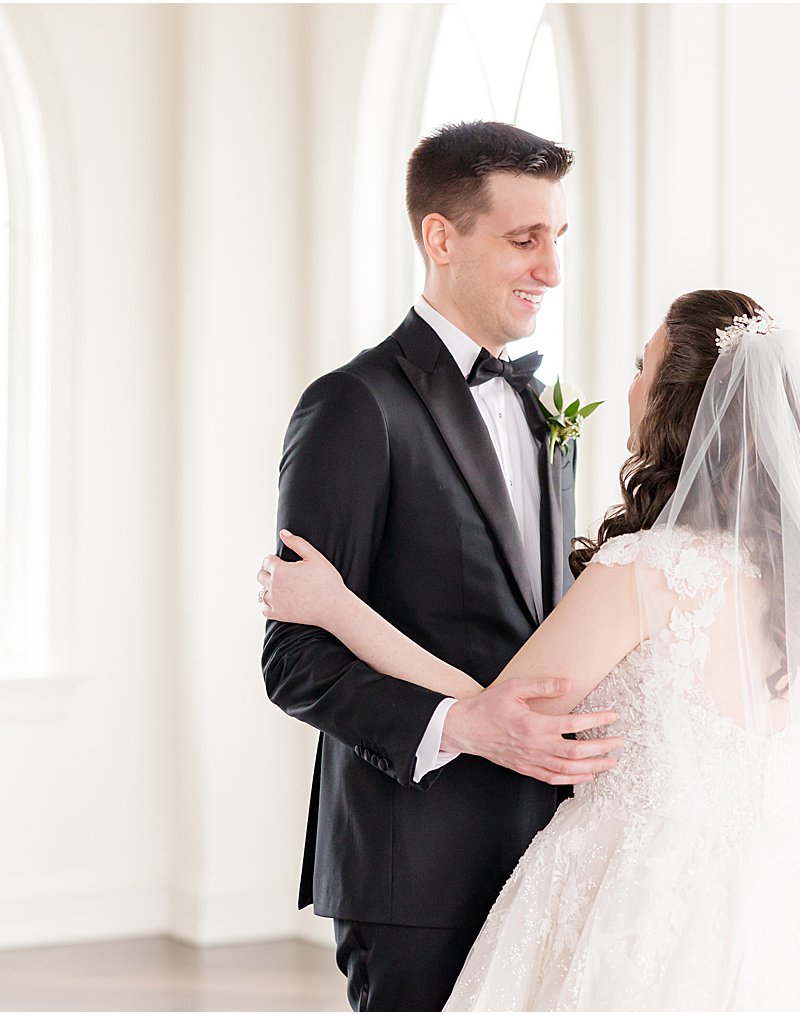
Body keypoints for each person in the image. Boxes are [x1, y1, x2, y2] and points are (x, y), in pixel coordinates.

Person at [261, 289, 800, 1010]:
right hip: (773, 901)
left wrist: (337, 607)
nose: (629, 383)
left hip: (634, 894)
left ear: (677, 405)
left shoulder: (648, 568)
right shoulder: (796, 587)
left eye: (644, 365)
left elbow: (500, 704)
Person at [260, 121, 622, 1013]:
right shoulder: (352, 405)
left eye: (557, 239)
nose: (551, 269)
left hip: (543, 851)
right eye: (524, 239)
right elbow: (294, 662)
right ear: (440, 237)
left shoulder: (544, 411)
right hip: (410, 866)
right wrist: (464, 723)